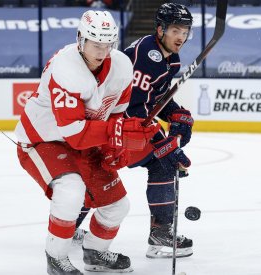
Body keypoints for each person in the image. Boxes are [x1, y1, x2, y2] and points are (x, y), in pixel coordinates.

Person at [15, 10, 159, 275]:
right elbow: (74, 133)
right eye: (96, 44)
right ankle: (56, 258)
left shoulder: (121, 67)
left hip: (85, 140)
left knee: (118, 206)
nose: (102, 51)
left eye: (108, 44)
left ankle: (95, 253)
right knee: (70, 191)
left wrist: (115, 147)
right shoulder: (65, 68)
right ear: (80, 39)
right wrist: (116, 131)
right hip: (44, 140)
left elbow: (115, 114)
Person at [73, 3, 195, 259]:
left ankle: (67, 227)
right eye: (175, 30)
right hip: (113, 125)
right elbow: (131, 108)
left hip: (122, 126)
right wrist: (164, 143)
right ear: (160, 29)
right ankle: (160, 235)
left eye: (185, 31)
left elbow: (153, 100)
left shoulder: (169, 58)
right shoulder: (146, 55)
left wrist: (175, 113)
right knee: (160, 161)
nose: (181, 37)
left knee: (101, 175)